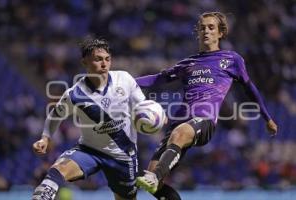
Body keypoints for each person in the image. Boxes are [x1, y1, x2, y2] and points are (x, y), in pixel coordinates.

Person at [135, 12, 278, 199]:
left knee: (170, 150)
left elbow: (249, 87)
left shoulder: (231, 59)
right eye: (202, 28)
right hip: (179, 121)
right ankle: (156, 178)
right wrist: (126, 82)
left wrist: (267, 118)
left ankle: (155, 176)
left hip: (204, 119)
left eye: (211, 27)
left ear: (220, 33)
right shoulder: (188, 63)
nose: (206, 31)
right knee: (154, 185)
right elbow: (158, 79)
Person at [32, 37, 146, 200]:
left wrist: (153, 116)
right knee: (57, 169)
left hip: (122, 155)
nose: (104, 64)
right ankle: (41, 196)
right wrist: (45, 138)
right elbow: (55, 115)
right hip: (90, 150)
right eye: (98, 59)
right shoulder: (74, 95)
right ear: (84, 61)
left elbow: (143, 106)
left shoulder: (124, 79)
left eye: (107, 59)